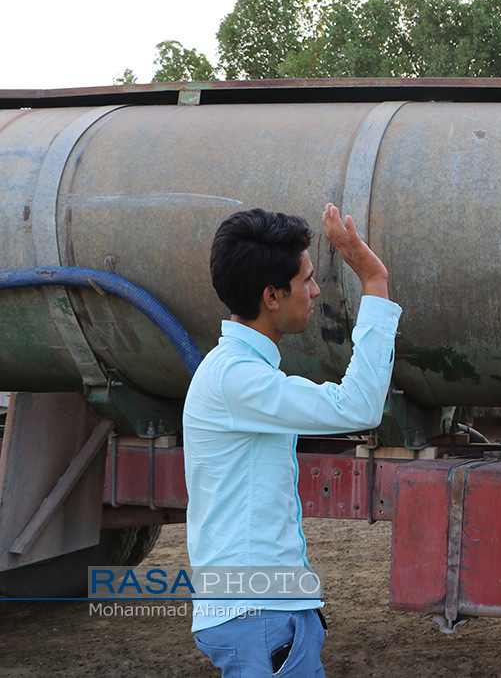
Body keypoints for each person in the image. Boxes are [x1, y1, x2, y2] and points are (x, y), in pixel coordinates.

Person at [182, 203, 400, 677]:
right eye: (306, 280)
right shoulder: (237, 379)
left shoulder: (237, 371)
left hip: (264, 611)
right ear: (272, 296)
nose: (315, 290)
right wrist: (374, 283)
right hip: (257, 615)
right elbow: (357, 408)